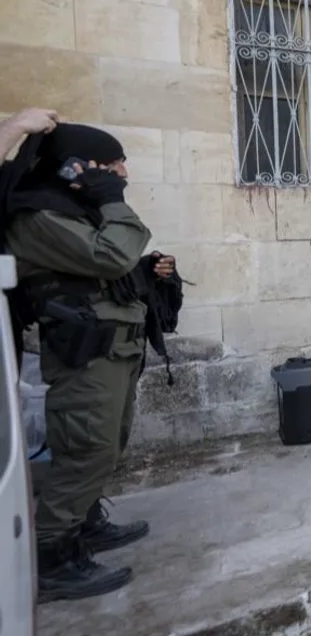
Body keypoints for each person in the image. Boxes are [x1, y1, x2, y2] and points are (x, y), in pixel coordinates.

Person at [3, 124, 156, 601]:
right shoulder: (37, 215)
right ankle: (51, 559)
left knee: (106, 444)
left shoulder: (74, 211)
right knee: (86, 447)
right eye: (111, 165)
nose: (122, 174)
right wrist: (112, 200)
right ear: (72, 168)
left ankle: (82, 523)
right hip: (87, 352)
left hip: (113, 348)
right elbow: (110, 255)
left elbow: (106, 270)